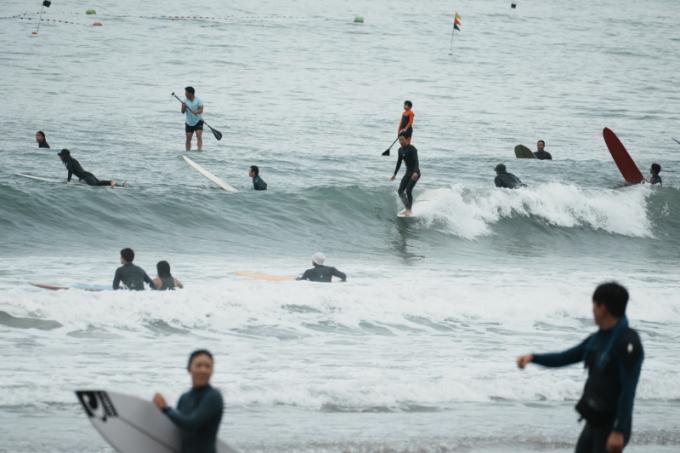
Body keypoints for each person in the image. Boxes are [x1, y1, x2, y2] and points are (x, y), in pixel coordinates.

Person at [516, 282, 644, 453]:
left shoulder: (628, 343)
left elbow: (628, 391)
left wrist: (619, 430)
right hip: (595, 417)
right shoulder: (597, 339)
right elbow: (564, 357)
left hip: (613, 424)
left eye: (594, 305)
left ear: (602, 307)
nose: (592, 310)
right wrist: (533, 358)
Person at [153, 350, 224, 453]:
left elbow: (191, 424)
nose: (203, 370)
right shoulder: (184, 397)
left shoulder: (214, 397)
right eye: (199, 365)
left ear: (212, 371)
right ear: (189, 369)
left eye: (208, 366)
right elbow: (177, 426)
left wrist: (165, 408)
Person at [389, 134, 421, 216]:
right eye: (399, 140)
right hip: (408, 172)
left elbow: (416, 161)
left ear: (407, 139)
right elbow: (399, 162)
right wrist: (394, 174)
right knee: (400, 191)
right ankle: (407, 208)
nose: (401, 141)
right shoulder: (400, 150)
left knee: (408, 190)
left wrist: (415, 172)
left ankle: (409, 210)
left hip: (415, 172)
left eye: (402, 139)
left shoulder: (412, 149)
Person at [182, 86, 204, 152]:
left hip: (198, 121)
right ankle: (187, 151)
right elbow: (182, 112)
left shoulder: (199, 100)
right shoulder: (184, 101)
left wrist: (196, 112)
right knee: (188, 139)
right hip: (189, 122)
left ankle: (199, 150)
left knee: (198, 135)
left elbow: (201, 110)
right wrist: (184, 107)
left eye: (186, 93)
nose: (185, 94)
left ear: (191, 93)